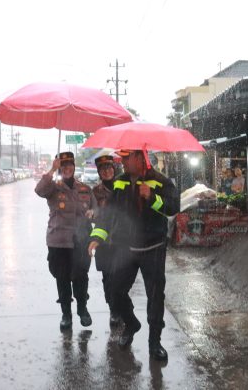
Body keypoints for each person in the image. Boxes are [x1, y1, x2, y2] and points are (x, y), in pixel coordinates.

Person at [87, 149, 180, 361]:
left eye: (127, 158)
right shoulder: (120, 182)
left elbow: (173, 208)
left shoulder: (160, 181)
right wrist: (97, 237)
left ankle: (154, 343)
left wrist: (152, 197)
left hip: (153, 248)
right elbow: (109, 214)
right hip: (127, 247)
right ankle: (131, 324)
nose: (123, 161)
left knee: (155, 296)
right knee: (115, 291)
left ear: (139, 158)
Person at [35, 152, 95, 331]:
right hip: (58, 242)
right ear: (60, 168)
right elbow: (39, 190)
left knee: (81, 277)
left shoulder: (84, 189)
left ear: (74, 167)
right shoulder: (53, 188)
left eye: (70, 164)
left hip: (80, 241)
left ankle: (82, 309)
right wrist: (52, 169)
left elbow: (96, 209)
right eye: (63, 165)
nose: (67, 168)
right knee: (62, 279)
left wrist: (93, 213)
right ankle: (66, 314)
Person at [89, 154, 121, 327]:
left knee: (121, 277)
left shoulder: (123, 186)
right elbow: (91, 212)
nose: (107, 171)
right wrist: (92, 214)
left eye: (109, 168)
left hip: (123, 240)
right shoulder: (95, 192)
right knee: (108, 278)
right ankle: (113, 310)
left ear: (114, 169)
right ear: (99, 173)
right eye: (103, 169)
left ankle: (121, 307)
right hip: (104, 241)